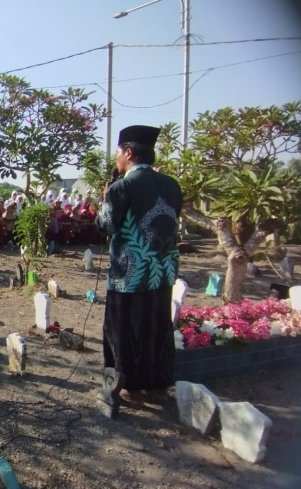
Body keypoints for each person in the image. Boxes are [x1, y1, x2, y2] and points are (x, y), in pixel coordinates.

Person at [95, 125, 183, 418]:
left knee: (121, 330)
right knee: (156, 327)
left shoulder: (121, 187)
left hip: (128, 274)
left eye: (118, 152)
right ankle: (157, 382)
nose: (116, 158)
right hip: (162, 271)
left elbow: (106, 225)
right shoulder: (172, 185)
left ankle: (126, 384)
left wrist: (104, 200)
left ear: (128, 153)